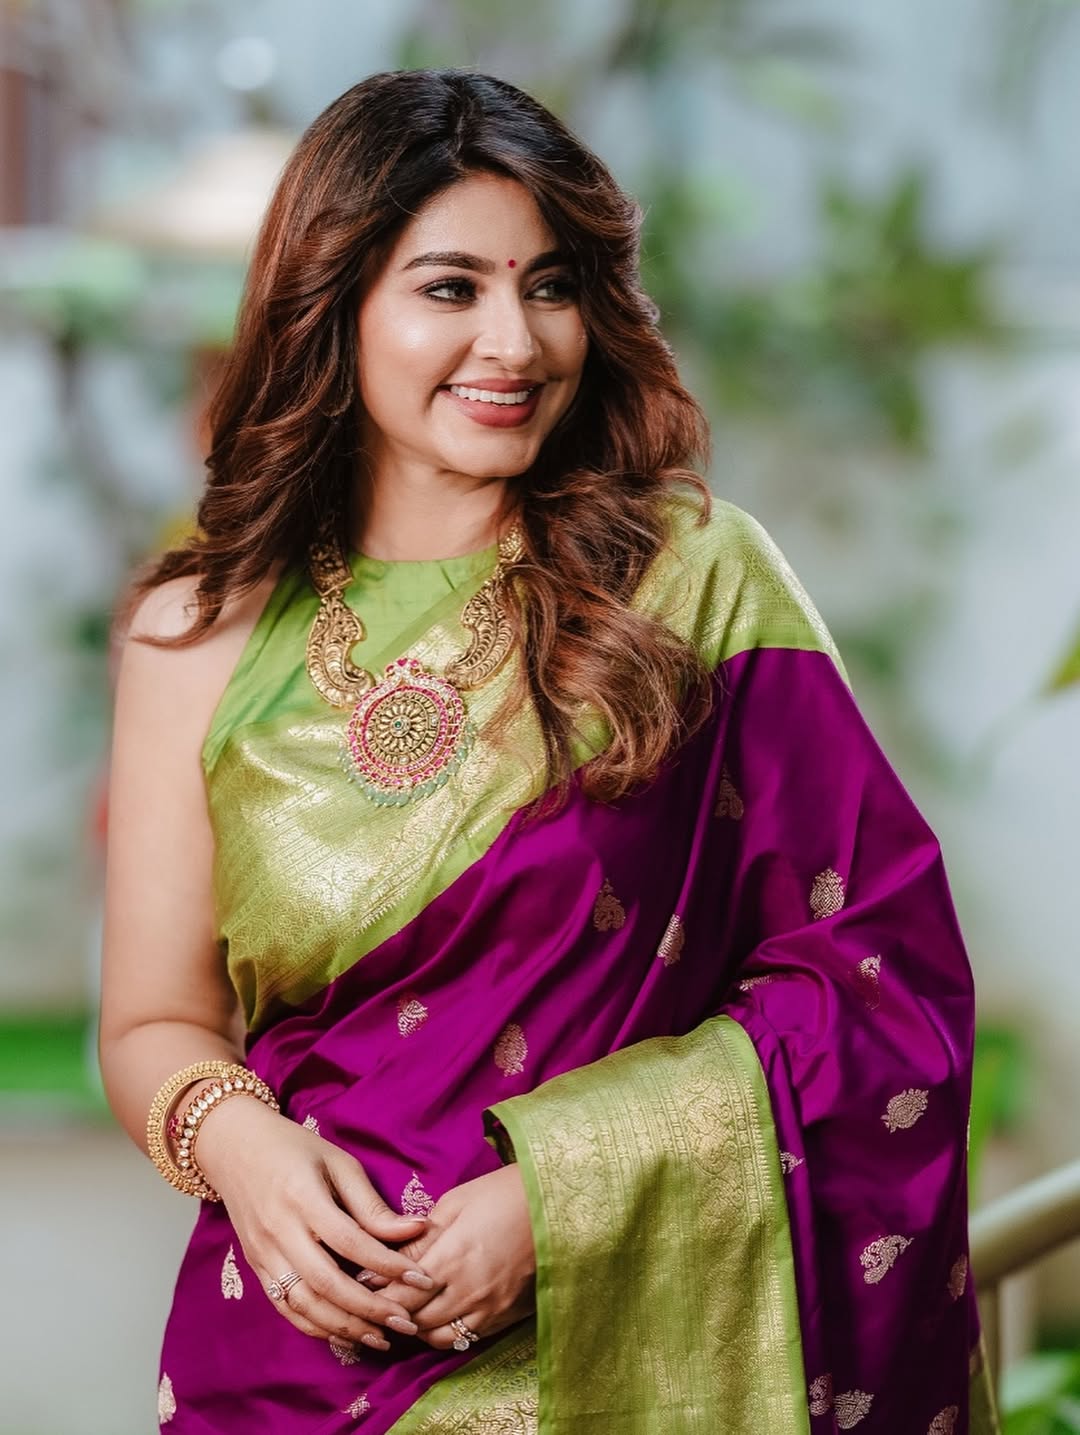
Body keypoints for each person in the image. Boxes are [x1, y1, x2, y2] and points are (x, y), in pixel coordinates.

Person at [99, 68, 1000, 1434]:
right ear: (331, 307)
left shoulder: (693, 583)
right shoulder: (197, 624)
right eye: (451, 287)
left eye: (554, 285)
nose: (515, 341)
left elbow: (881, 976)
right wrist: (248, 1157)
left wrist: (563, 1197)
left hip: (620, 1347)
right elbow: (154, 1020)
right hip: (290, 1349)